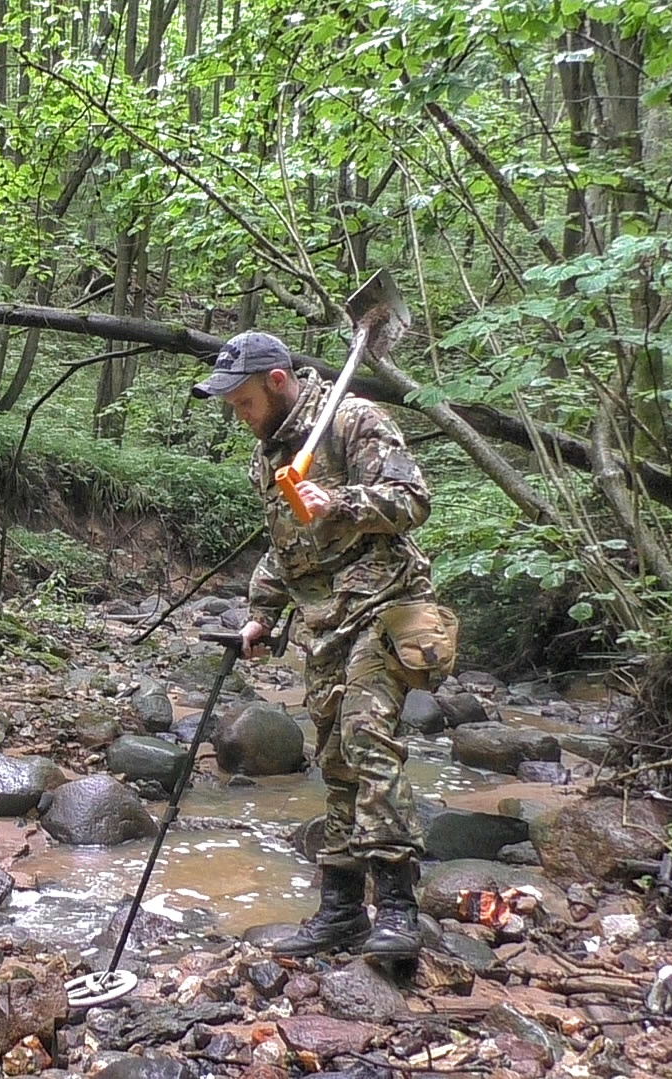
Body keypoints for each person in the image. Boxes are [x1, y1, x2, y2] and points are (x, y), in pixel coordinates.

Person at [192, 330, 450, 960]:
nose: (239, 414)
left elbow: (413, 500)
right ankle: (341, 909)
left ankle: (397, 910)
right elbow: (286, 549)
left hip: (388, 606)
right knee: (334, 759)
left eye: (245, 401)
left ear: (277, 380)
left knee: (365, 741)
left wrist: (340, 503)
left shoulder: (350, 419)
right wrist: (260, 615)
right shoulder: (271, 454)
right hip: (325, 621)